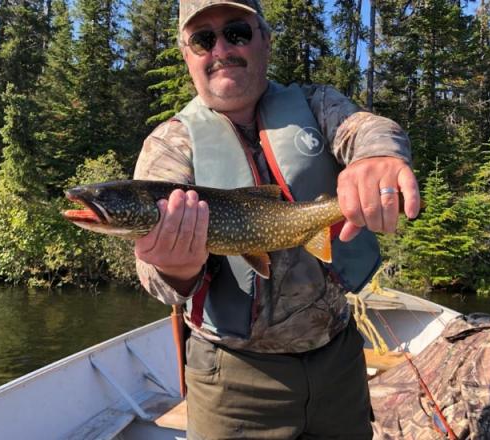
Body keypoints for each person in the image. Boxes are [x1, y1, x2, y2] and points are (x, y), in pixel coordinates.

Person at [133, 0, 420, 438]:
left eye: (237, 33)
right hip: (232, 381)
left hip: (338, 360)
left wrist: (378, 156)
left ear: (264, 39)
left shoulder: (317, 103)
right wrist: (172, 267)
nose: (221, 49)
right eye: (203, 39)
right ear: (187, 53)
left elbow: (367, 128)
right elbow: (154, 281)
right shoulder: (170, 144)